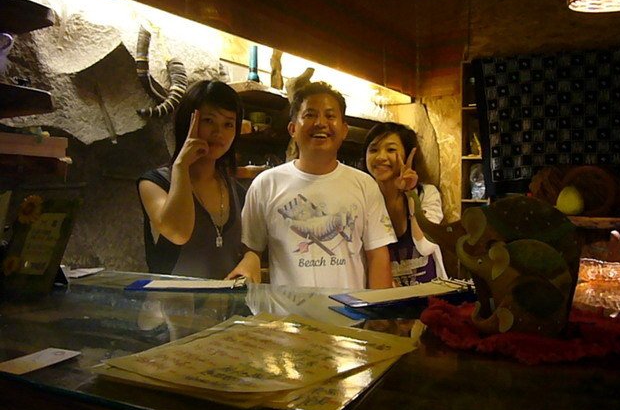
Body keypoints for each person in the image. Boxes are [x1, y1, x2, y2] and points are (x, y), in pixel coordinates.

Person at [228, 82, 395, 289]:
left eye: (330, 116)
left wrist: (380, 308)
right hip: (288, 311)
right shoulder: (266, 184)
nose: (321, 123)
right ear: (292, 129)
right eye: (310, 115)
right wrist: (249, 261)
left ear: (344, 130)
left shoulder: (365, 185)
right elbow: (252, 249)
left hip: (351, 310)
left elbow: (378, 257)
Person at [138, 80, 249, 280]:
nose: (218, 132)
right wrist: (181, 166)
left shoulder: (238, 192)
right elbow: (178, 232)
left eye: (228, 124)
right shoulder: (154, 183)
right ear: (187, 122)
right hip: (169, 299)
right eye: (208, 120)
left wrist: (251, 258)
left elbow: (252, 247)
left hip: (227, 300)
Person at [363, 122, 448, 287]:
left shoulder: (426, 194)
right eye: (373, 150)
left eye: (391, 150)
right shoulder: (362, 200)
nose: (380, 157)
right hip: (385, 297)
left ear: (408, 155)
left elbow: (426, 246)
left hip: (430, 296)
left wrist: (411, 195)